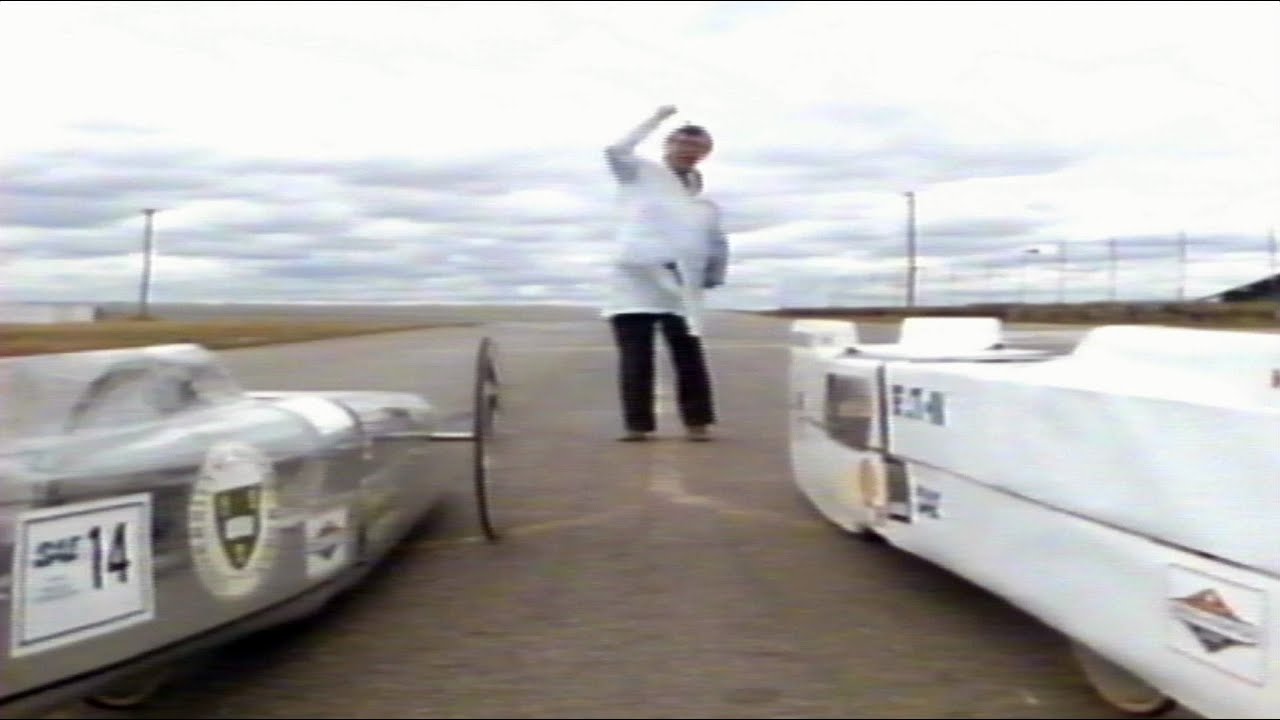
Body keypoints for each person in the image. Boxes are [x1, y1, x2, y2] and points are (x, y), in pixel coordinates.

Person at [601, 104, 730, 442]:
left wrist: (712, 274)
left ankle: (697, 421)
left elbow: (713, 238)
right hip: (635, 281)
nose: (689, 150)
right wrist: (656, 119)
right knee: (636, 356)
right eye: (683, 143)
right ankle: (637, 425)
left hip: (679, 283)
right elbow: (615, 150)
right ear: (668, 144)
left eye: (698, 147)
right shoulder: (639, 174)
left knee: (688, 354)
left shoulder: (699, 197)